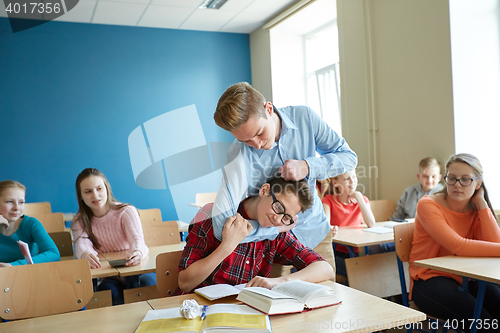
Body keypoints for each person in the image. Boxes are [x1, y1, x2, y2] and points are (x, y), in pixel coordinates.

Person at [211, 82, 357, 276]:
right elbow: (220, 228)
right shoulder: (238, 153)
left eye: (259, 133)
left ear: (268, 109)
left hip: (316, 235)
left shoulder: (305, 119)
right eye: (246, 140)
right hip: (272, 246)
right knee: (272, 302)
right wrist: (273, 230)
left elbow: (349, 157)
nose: (256, 145)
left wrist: (307, 166)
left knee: (326, 300)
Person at [176, 177, 335, 294]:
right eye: (278, 207)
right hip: (199, 310)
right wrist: (226, 247)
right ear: (265, 190)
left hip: (244, 313)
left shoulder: (276, 232)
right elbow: (185, 283)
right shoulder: (212, 216)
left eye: (286, 217)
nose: (278, 219)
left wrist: (278, 281)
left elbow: (325, 269)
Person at [409, 153, 500, 330]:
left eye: (465, 179)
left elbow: (494, 243)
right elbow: (458, 246)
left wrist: (482, 204)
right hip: (429, 279)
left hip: (468, 278)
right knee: (484, 324)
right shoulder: (427, 204)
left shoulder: (476, 207)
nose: (457, 185)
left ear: (478, 183)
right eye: (452, 178)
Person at [71, 168, 154, 305]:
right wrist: (86, 255)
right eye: (88, 191)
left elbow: (137, 240)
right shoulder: (79, 221)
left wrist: (138, 252)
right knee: (106, 291)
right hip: (110, 276)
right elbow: (82, 245)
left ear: (107, 189)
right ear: (81, 196)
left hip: (137, 270)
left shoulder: (126, 211)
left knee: (148, 284)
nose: (95, 195)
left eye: (99, 189)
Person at [321, 170, 375, 281]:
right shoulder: (328, 201)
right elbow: (325, 226)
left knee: (371, 267)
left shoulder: (363, 200)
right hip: (336, 253)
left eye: (354, 177)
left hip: (356, 253)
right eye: (347, 179)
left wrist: (359, 197)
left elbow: (371, 223)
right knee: (363, 271)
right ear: (335, 183)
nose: (352, 182)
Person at [0, 180, 60, 266]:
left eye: (21, 202)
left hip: (29, 275)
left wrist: (14, 265)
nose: (16, 207)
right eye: (9, 201)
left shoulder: (31, 224)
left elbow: (54, 253)